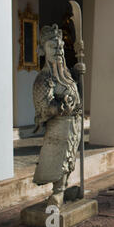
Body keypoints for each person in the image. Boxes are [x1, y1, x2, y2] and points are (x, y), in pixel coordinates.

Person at [32, 24, 82, 208]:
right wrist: (59, 107)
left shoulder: (65, 74)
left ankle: (64, 187)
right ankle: (57, 192)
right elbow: (43, 108)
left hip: (73, 124)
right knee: (59, 159)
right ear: (43, 50)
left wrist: (77, 74)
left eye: (60, 47)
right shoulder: (44, 79)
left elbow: (75, 91)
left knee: (70, 158)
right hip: (58, 127)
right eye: (54, 47)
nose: (59, 51)